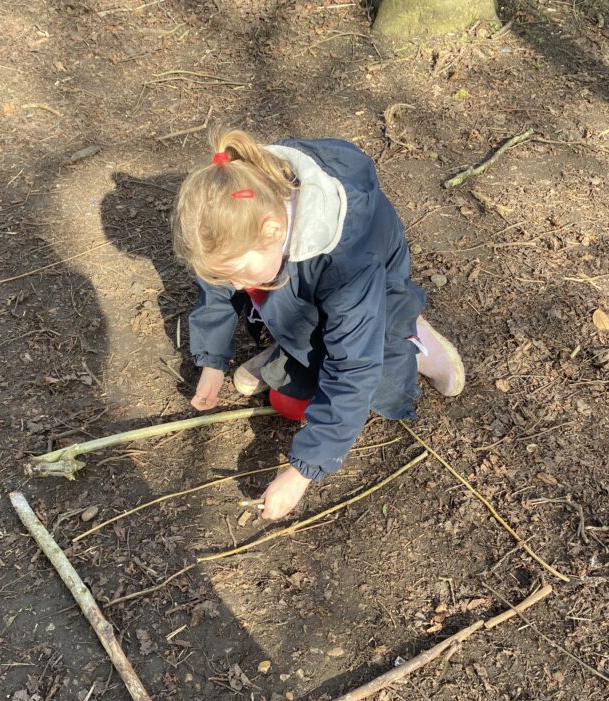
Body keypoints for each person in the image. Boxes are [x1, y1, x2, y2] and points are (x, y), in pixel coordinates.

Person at [171, 129, 465, 521]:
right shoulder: (236, 221)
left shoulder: (346, 258)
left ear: (273, 231)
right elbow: (216, 288)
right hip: (302, 293)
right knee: (288, 402)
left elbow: (352, 369)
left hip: (375, 295)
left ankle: (415, 339)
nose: (237, 286)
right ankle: (287, 341)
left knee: (382, 383)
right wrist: (212, 361)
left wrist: (300, 472)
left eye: (239, 274)